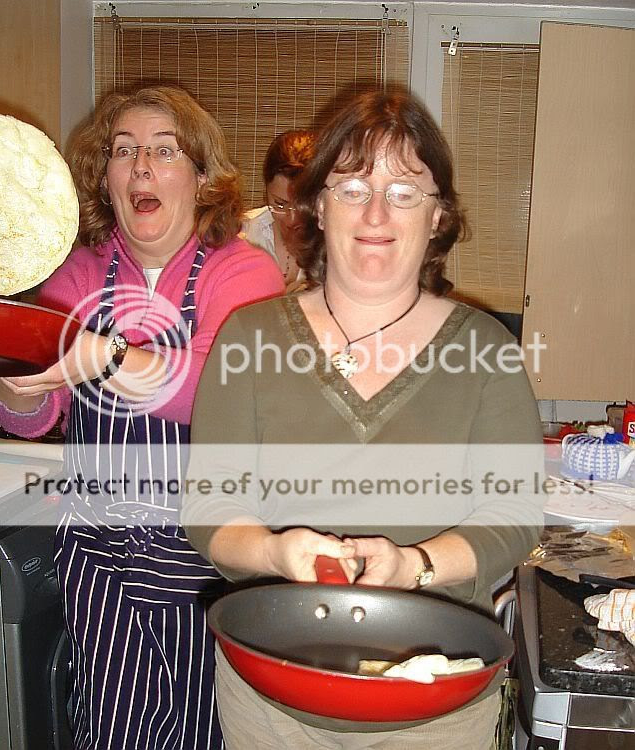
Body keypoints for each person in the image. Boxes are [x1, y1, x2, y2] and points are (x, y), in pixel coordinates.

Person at [182, 90, 542, 749]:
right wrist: (272, 550)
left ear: (438, 215)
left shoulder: (486, 350)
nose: (377, 213)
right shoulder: (247, 337)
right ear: (318, 206)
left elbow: (514, 516)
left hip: (435, 700)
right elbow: (211, 508)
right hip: (272, 701)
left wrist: (415, 566)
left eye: (404, 191)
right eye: (352, 188)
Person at [0, 85, 284, 750]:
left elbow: (219, 389)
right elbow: (33, 413)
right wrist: (12, 371)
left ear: (201, 178)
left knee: (208, 730)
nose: (141, 166)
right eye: (124, 151)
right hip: (100, 558)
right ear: (106, 178)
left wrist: (106, 354)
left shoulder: (243, 272)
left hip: (209, 558)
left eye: (164, 151)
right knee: (114, 730)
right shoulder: (76, 275)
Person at [241, 129, 316, 290]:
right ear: (266, 190)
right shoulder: (243, 234)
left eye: (302, 206)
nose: (292, 219)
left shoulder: (335, 243)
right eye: (279, 204)